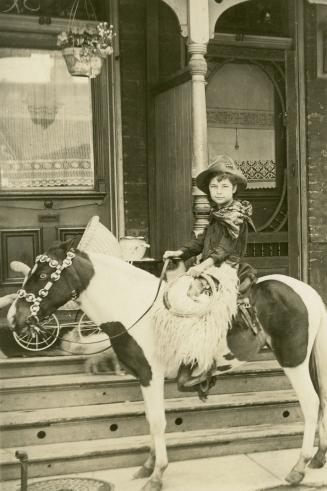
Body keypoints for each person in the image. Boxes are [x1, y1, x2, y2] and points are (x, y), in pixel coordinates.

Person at [163, 154, 257, 396]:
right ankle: (184, 352)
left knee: (208, 305)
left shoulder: (236, 215)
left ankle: (206, 362)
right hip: (208, 265)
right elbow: (201, 241)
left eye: (224, 186)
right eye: (214, 186)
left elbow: (224, 248)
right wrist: (181, 252)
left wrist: (203, 266)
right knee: (177, 292)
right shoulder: (216, 214)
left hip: (226, 268)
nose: (218, 190)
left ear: (234, 188)